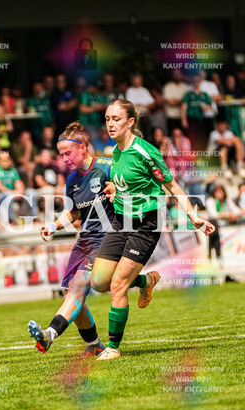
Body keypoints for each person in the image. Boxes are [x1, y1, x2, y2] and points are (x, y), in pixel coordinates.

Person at [90, 99, 215, 360]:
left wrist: (193, 216)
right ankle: (146, 281)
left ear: (130, 122)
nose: (110, 124)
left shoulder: (146, 152)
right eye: (107, 119)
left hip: (146, 223)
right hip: (121, 220)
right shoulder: (115, 151)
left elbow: (172, 186)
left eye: (116, 119)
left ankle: (113, 347)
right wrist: (116, 189)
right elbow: (126, 181)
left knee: (118, 284)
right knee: (99, 281)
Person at [27, 122, 113, 357]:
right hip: (84, 240)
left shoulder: (107, 167)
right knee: (71, 297)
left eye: (68, 153)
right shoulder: (73, 180)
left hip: (107, 238)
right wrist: (53, 226)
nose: (64, 159)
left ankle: (49, 334)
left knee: (77, 289)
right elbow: (74, 212)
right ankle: (95, 345)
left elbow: (131, 191)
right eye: (61, 155)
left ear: (83, 148)